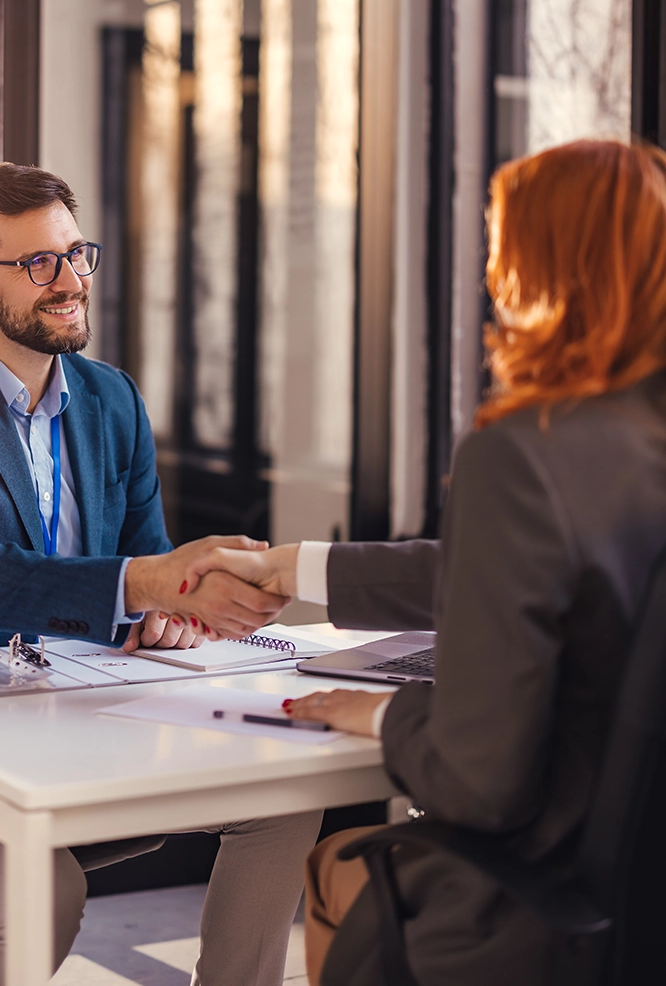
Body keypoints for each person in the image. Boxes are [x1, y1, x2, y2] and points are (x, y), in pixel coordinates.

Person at [181, 139, 666, 985]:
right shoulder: (631, 442)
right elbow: (505, 568)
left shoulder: (524, 451)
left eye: (500, 246)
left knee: (338, 869)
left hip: (542, 898)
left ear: (540, 268)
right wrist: (296, 567)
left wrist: (375, 715)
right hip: (643, 884)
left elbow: (482, 782)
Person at [0, 162, 322, 986]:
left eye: (75, 254)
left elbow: (145, 562)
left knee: (284, 800)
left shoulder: (112, 399)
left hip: (90, 718)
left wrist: (177, 606)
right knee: (37, 893)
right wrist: (143, 586)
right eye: (38, 264)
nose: (69, 283)